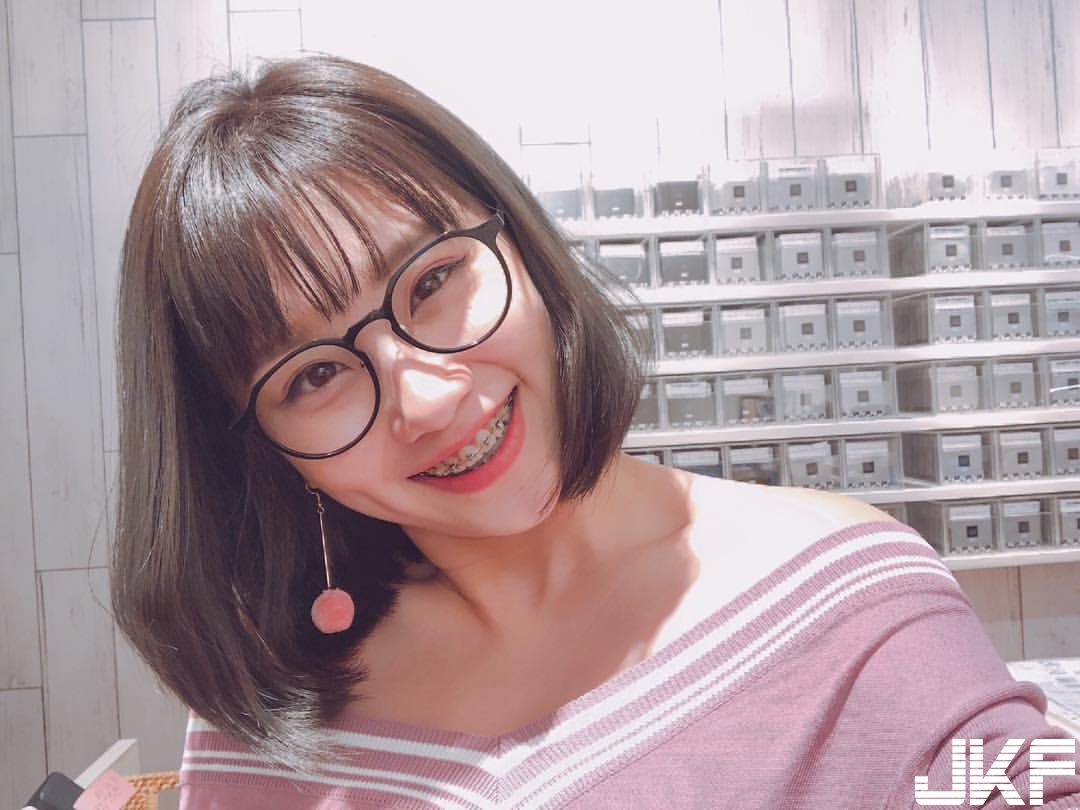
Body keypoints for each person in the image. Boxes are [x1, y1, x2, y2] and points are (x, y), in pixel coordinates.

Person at [112, 54, 1080, 809]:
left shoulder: (841, 595)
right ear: (263, 450)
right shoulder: (271, 701)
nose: (428, 400)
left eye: (434, 280)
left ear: (523, 247)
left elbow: (1004, 778)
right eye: (315, 375)